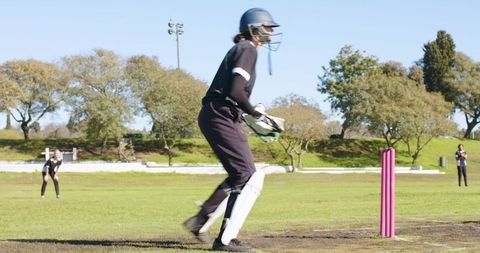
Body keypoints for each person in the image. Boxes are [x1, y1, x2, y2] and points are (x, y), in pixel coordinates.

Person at [183, 8, 280, 252]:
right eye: (268, 27)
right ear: (254, 29)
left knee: (239, 173)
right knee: (248, 174)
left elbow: (234, 94)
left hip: (217, 114)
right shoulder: (247, 48)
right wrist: (255, 112)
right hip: (220, 115)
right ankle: (225, 240)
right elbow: (236, 92)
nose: (270, 32)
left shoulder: (243, 49)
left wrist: (247, 112)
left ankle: (200, 219)